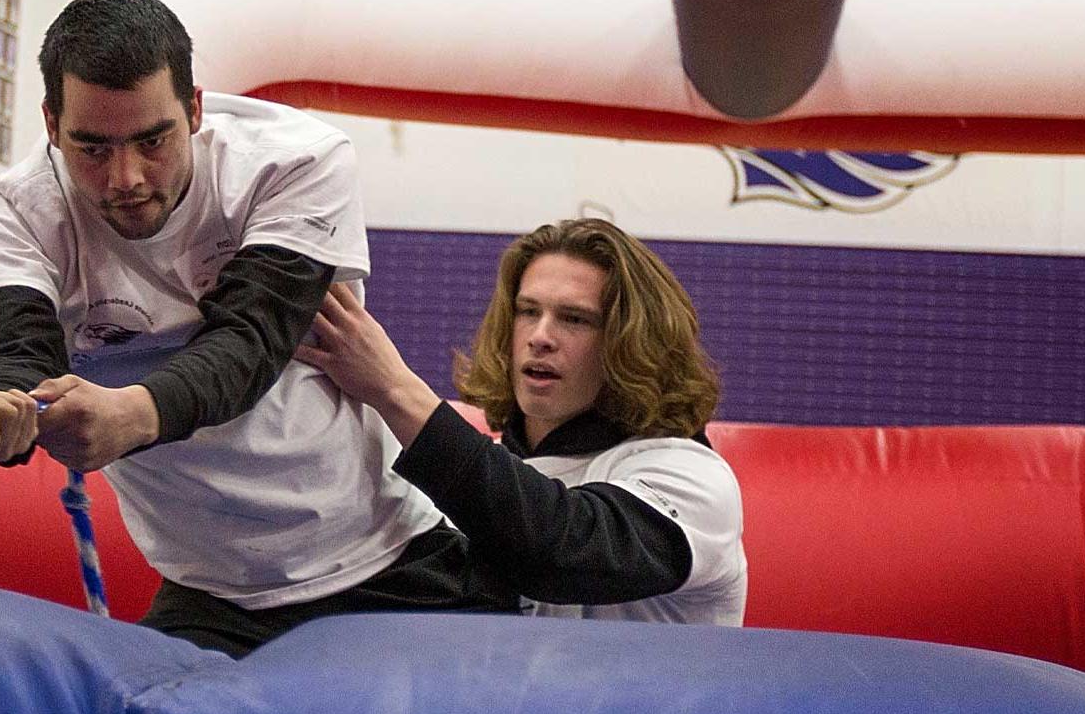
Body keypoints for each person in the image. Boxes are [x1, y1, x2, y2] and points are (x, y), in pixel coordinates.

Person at [0, 0, 515, 656]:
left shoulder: (292, 161)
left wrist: (138, 413)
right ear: (50, 123)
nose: (125, 177)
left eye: (152, 141)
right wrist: (4, 411)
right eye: (91, 148)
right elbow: (16, 350)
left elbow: (250, 342)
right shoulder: (14, 209)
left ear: (194, 110)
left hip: (387, 556)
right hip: (212, 589)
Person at [295, 218, 747, 624]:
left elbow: (560, 553)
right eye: (528, 311)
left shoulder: (691, 476)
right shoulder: (497, 478)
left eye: (574, 319)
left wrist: (395, 390)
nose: (540, 336)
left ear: (634, 342)